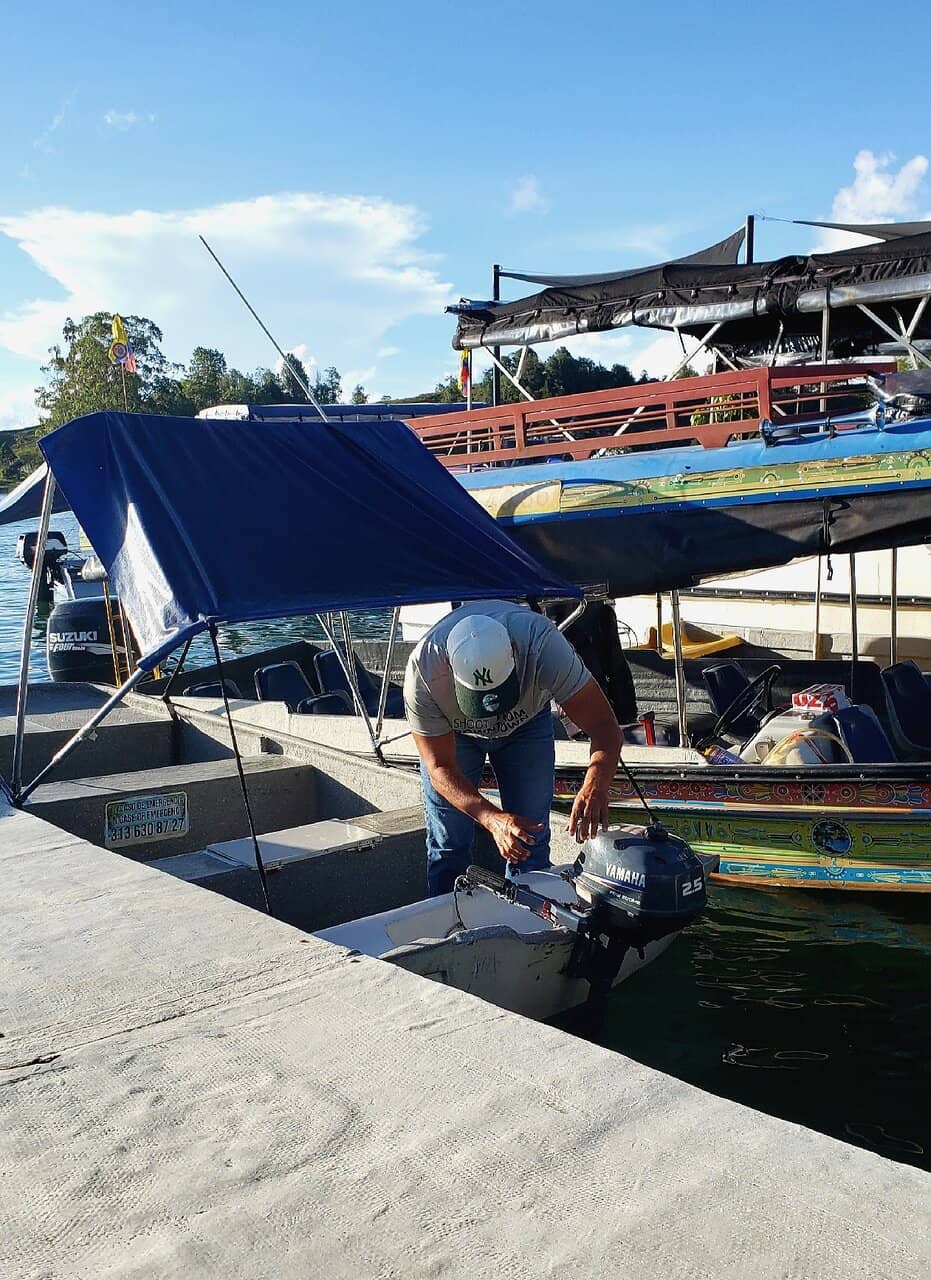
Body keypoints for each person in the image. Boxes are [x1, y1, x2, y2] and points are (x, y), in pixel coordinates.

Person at [403, 600, 622, 896]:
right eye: (480, 700)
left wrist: (596, 784)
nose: (493, 715)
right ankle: (451, 930)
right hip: (456, 735)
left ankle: (529, 929)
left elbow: (604, 726)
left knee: (531, 838)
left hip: (527, 726)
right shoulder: (423, 672)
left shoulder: (543, 645)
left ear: (516, 656)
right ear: (452, 673)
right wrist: (491, 819)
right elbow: (439, 767)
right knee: (449, 843)